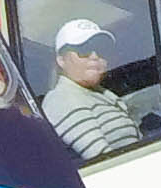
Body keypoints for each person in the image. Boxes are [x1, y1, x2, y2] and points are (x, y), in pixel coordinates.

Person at [42, 17, 139, 161]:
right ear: (61, 60)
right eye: (84, 50)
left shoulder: (104, 96)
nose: (94, 56)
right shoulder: (61, 99)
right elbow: (102, 159)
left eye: (101, 49)